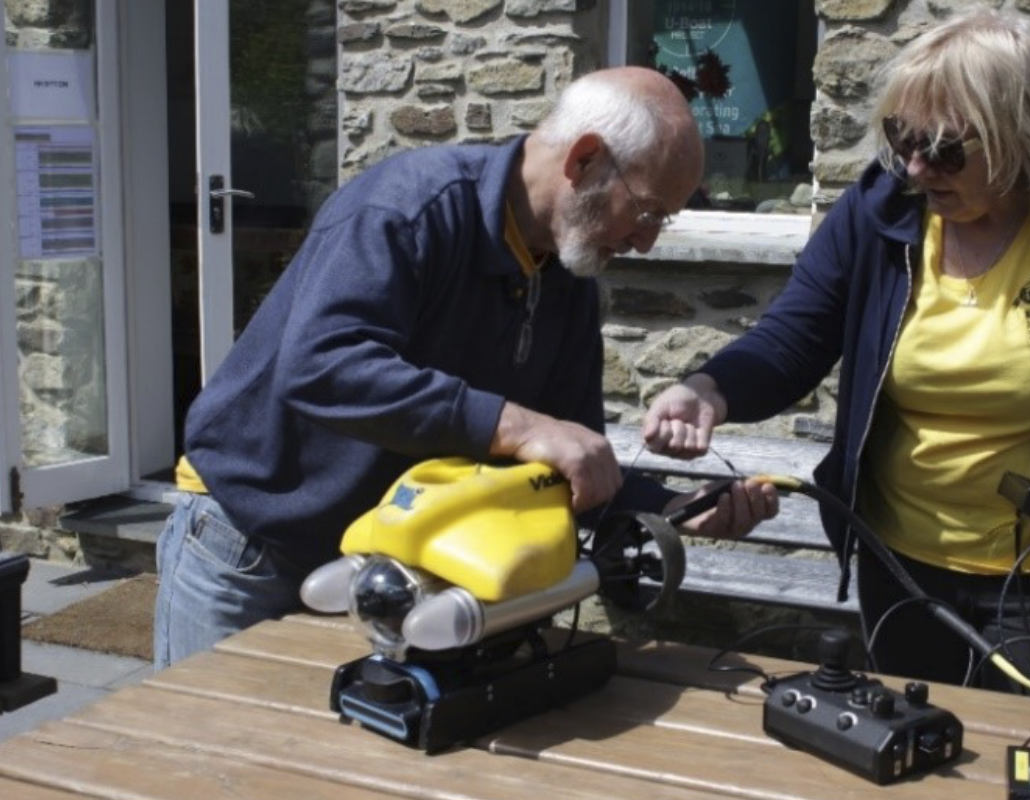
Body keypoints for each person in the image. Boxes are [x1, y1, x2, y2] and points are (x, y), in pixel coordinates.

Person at [643, 9, 1030, 692]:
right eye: (901, 138)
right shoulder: (880, 209)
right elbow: (794, 338)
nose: (915, 168)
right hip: (904, 573)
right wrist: (708, 389)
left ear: (1017, 136)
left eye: (944, 149)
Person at [155, 67, 779, 670]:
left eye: (664, 222)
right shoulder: (408, 209)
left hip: (388, 569)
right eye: (646, 212)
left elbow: (559, 466)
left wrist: (672, 505)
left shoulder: (566, 277)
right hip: (252, 546)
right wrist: (516, 425)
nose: (647, 242)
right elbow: (321, 367)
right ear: (583, 160)